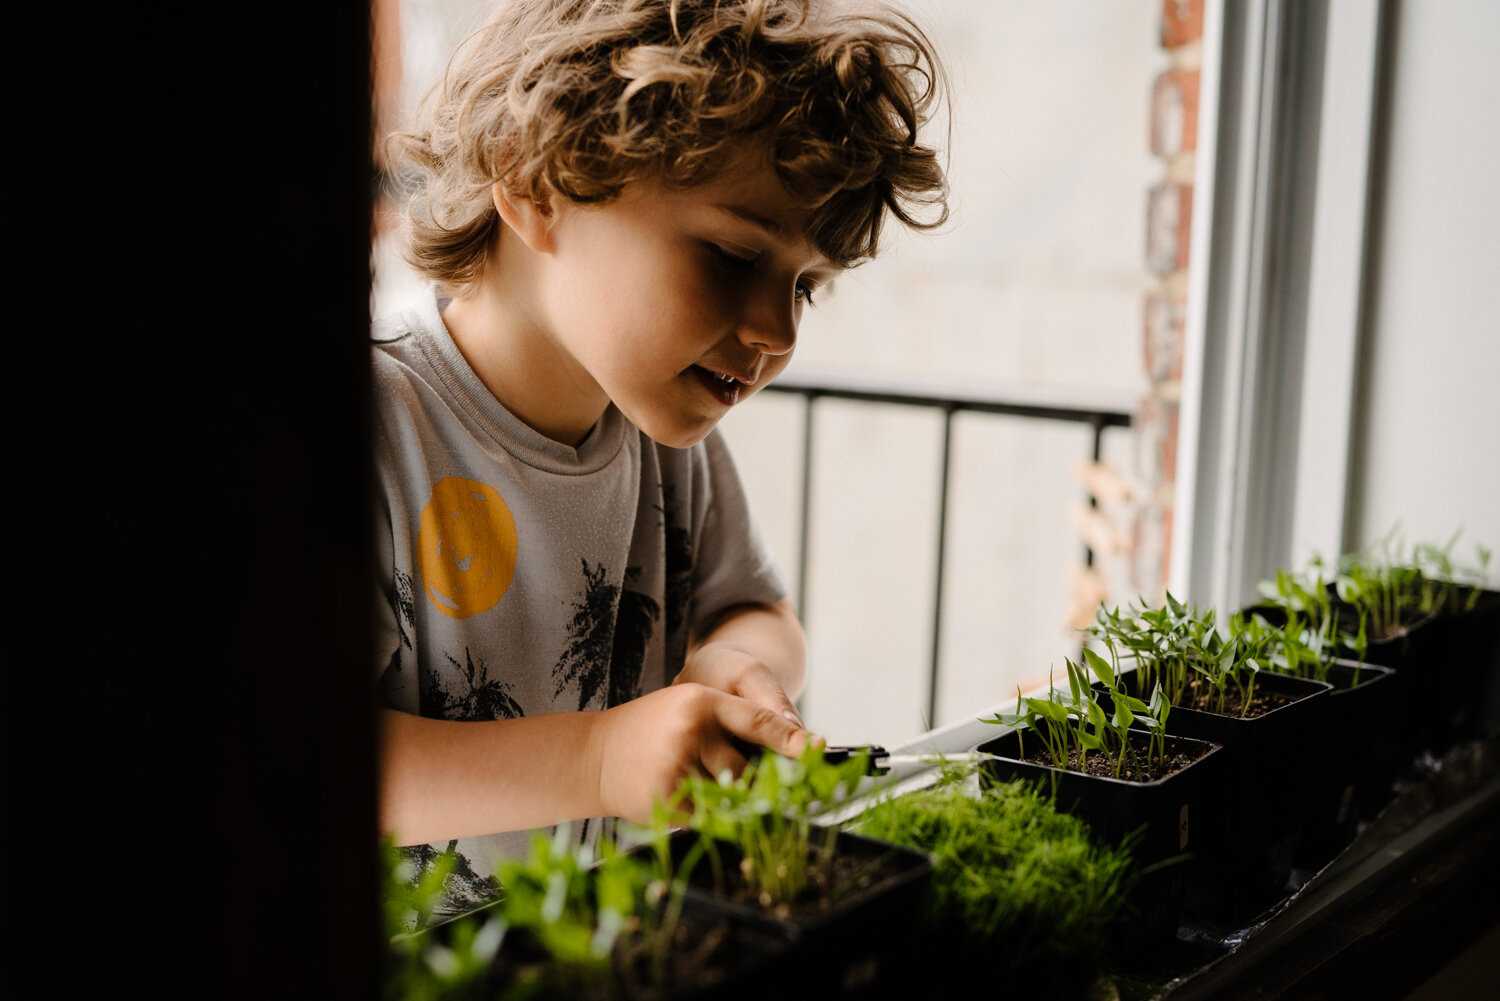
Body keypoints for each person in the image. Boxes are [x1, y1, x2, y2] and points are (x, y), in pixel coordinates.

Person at [374, 0, 949, 916]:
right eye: (729, 255)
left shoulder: (662, 436)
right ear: (534, 184)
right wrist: (597, 758)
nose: (777, 330)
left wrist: (732, 663)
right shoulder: (378, 427)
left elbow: (760, 609)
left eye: (806, 285)